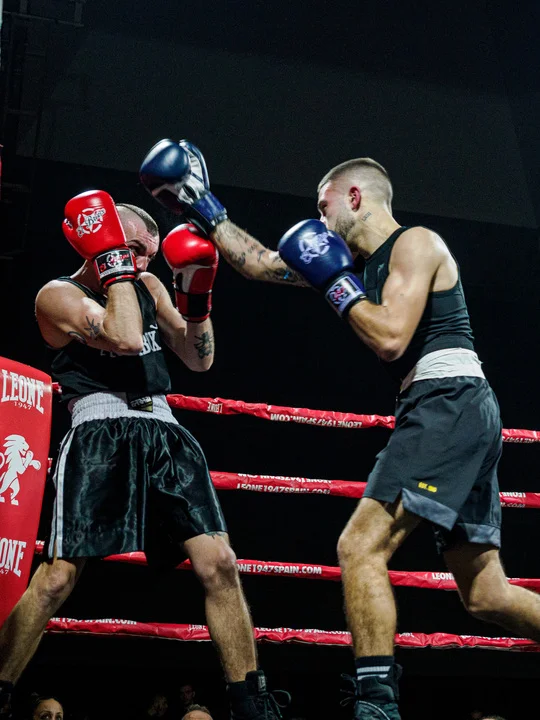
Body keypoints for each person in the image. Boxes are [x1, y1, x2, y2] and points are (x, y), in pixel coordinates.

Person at [139, 140, 540, 720]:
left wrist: (336, 282)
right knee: (486, 594)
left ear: (355, 197)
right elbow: (259, 263)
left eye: (323, 206)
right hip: (448, 410)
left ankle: (377, 705)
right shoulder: (349, 264)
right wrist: (203, 205)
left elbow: (391, 338)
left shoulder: (416, 243)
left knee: (359, 546)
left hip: (446, 401)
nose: (319, 219)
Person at [0, 190, 285, 720]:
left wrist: (197, 299)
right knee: (58, 578)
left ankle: (252, 701)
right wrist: (113, 262)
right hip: (99, 430)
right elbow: (126, 338)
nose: (140, 263)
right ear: (100, 238)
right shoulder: (57, 295)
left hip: (166, 431)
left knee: (221, 564)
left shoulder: (149, 284)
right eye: (130, 248)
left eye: (149, 255)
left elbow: (198, 360)